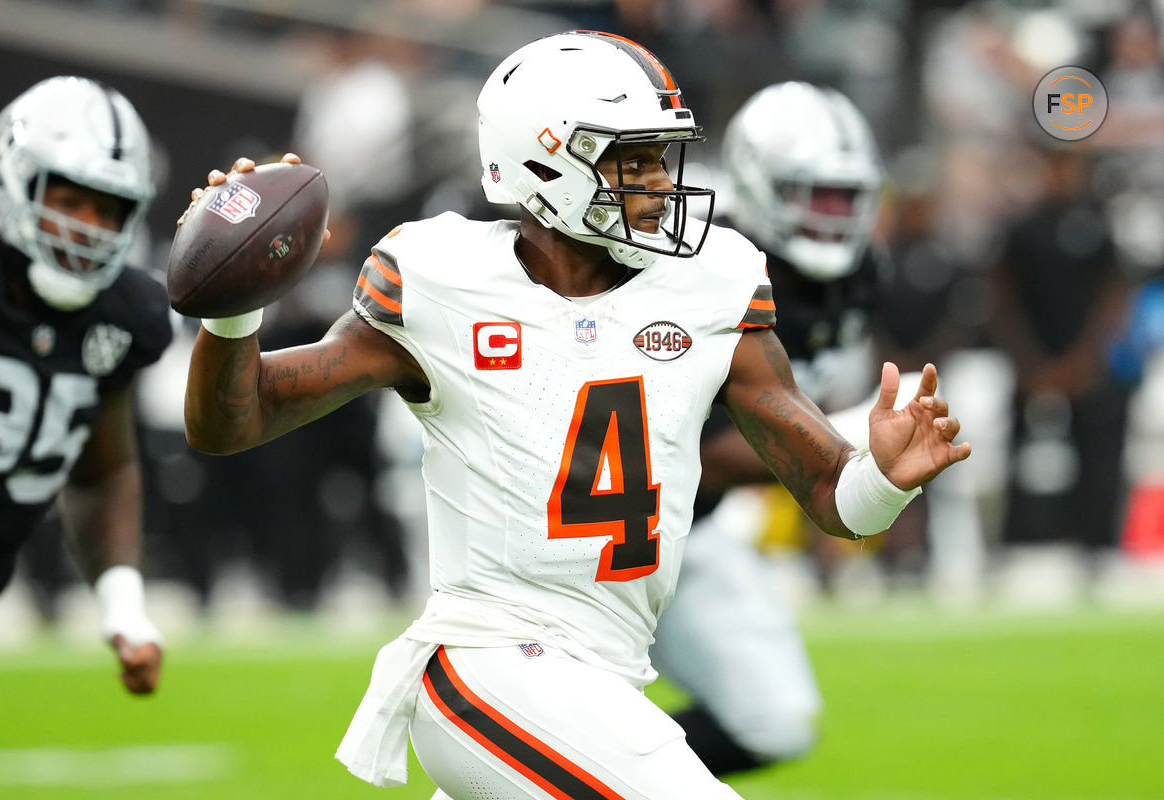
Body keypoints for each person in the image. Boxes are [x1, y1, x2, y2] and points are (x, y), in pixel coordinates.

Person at [181, 31, 969, 798]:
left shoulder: (714, 281)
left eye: (661, 157)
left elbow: (834, 495)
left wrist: (885, 476)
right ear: (544, 159)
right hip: (485, 658)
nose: (659, 183)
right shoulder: (442, 279)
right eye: (630, 159)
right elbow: (233, 422)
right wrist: (232, 315)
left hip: (609, 668)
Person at [650, 80, 893, 776]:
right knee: (544, 723)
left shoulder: (858, 274)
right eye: (815, 197)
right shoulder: (696, 263)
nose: (832, 219)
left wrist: (848, 457)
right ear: (760, 181)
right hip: (593, 542)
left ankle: (587, 769)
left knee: (772, 721)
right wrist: (850, 447)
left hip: (693, 535)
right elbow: (695, 454)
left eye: (846, 200)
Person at [0, 76, 172, 694]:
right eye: (69, 200)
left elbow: (101, 469)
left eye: (108, 209)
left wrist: (123, 608)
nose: (86, 228)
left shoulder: (123, 317)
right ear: (12, 176)